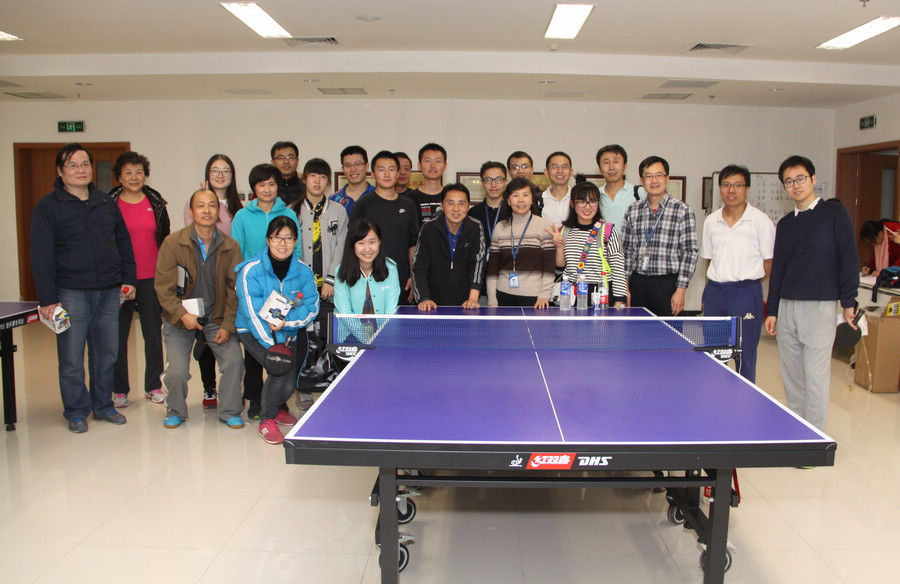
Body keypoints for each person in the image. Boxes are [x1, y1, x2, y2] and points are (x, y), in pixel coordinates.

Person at [30, 143, 136, 433]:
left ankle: (103, 405)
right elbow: (40, 255)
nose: (81, 170)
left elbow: (123, 242)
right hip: (70, 293)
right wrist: (47, 298)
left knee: (107, 354)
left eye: (85, 164)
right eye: (73, 165)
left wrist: (127, 278)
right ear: (60, 171)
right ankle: (76, 410)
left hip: (109, 291)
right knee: (72, 357)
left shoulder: (105, 202)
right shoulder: (47, 207)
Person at [765, 155, 859, 432]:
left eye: (801, 178)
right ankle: (797, 432)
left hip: (820, 306)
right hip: (788, 307)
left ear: (813, 179)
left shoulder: (835, 214)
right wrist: (772, 310)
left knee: (815, 377)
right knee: (792, 376)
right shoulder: (785, 224)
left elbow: (849, 258)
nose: (795, 185)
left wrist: (849, 302)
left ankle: (815, 437)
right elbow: (778, 270)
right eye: (789, 181)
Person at [156, 188, 245, 430]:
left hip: (216, 316)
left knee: (234, 361)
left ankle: (230, 411)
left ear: (219, 211)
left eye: (212, 205)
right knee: (176, 372)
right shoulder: (172, 243)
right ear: (191, 210)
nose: (207, 211)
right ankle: (175, 410)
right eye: (200, 205)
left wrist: (227, 325)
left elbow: (234, 290)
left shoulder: (230, 246)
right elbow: (163, 289)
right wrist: (182, 315)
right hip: (179, 317)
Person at [235, 216, 319, 444]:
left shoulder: (303, 272)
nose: (283, 244)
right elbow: (252, 314)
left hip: (288, 331)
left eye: (288, 238)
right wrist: (274, 346)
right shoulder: (250, 270)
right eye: (277, 238)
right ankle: (266, 419)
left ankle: (278, 408)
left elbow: (311, 306)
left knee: (290, 381)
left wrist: (287, 324)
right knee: (279, 367)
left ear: (295, 241)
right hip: (253, 330)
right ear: (268, 240)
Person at [231, 163, 301, 418]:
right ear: (254, 188)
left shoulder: (288, 213)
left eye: (272, 184)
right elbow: (237, 252)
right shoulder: (242, 216)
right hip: (255, 286)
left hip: (282, 288)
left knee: (279, 343)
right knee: (255, 350)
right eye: (262, 184)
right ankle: (255, 400)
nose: (267, 189)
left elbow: (296, 250)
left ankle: (279, 401)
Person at [699, 164, 775, 383]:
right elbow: (709, 260)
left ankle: (745, 397)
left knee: (746, 353)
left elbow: (769, 262)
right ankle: (716, 394)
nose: (731, 190)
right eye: (726, 185)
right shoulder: (711, 220)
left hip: (746, 293)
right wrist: (707, 293)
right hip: (715, 292)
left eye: (737, 185)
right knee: (714, 352)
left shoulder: (761, 221)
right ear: (720, 188)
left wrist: (748, 283)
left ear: (747, 188)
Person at [108, 151, 170, 407]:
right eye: (128, 173)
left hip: (151, 278)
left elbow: (165, 240)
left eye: (139, 172)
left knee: (153, 335)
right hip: (120, 279)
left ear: (146, 175)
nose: (134, 177)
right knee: (117, 336)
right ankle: (119, 389)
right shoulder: (109, 204)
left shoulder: (155, 203)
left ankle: (153, 385)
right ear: (119, 177)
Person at [186, 154, 244, 410]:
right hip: (202, 279)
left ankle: (232, 389)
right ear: (207, 175)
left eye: (226, 171)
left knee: (228, 336)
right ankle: (209, 387)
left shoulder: (239, 207)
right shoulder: (196, 203)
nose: (220, 175)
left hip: (229, 278)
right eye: (215, 170)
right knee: (205, 339)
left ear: (232, 176)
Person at [292, 158, 347, 394]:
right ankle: (303, 387)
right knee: (302, 338)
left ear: (328, 182)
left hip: (329, 287)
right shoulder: (292, 211)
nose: (318, 181)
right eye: (313, 176)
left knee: (327, 337)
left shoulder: (338, 211)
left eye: (323, 177)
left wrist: (330, 280)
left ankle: (329, 384)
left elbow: (341, 247)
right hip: (300, 288)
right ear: (305, 179)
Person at [620, 155, 698, 316]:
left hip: (668, 284)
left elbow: (690, 252)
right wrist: (625, 287)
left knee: (669, 331)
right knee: (636, 330)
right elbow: (626, 250)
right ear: (642, 181)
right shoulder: (632, 210)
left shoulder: (682, 210)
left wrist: (681, 290)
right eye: (648, 176)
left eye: (659, 175)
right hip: (637, 283)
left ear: (667, 178)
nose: (654, 180)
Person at [349, 151, 419, 305]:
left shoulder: (408, 205)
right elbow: (352, 243)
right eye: (381, 170)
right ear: (373, 174)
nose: (387, 174)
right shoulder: (363, 205)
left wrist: (413, 276)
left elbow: (412, 244)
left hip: (402, 279)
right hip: (369, 278)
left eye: (391, 169)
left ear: (398, 173)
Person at [547, 176, 627, 306]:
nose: (587, 207)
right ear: (572, 204)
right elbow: (559, 270)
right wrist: (560, 247)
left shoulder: (608, 231)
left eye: (593, 201)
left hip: (601, 294)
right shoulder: (563, 232)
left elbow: (618, 268)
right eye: (581, 202)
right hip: (570, 295)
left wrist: (620, 300)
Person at [412, 183, 486, 309]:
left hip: (466, 303)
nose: (456, 209)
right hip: (432, 303)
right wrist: (424, 298)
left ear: (468, 206)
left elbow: (478, 264)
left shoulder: (475, 227)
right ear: (442, 205)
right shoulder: (429, 228)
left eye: (461, 203)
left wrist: (473, 298)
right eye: (450, 203)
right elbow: (419, 267)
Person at [485, 177, 556, 308]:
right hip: (503, 295)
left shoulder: (544, 226)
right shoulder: (500, 227)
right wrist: (492, 299)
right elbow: (492, 268)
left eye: (525, 195)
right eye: (515, 195)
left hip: (535, 299)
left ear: (532, 199)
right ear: (508, 200)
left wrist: (544, 295)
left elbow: (549, 266)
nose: (521, 200)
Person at [334, 218, 401, 315]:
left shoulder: (391, 269)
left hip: (385, 325)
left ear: (379, 242)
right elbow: (345, 312)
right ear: (353, 245)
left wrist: (384, 326)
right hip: (350, 325)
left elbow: (391, 310)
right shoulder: (341, 272)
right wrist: (357, 327)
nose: (367, 249)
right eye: (361, 243)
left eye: (372, 242)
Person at [596, 144, 644, 230]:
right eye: (606, 162)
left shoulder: (639, 193)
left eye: (616, 161)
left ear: (625, 166)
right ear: (600, 168)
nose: (611, 167)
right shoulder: (595, 195)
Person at [404, 143, 447, 223]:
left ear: (445, 166)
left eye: (438, 161)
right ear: (419, 165)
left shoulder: (451, 197)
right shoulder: (408, 200)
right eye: (428, 161)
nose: (433, 166)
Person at [469, 161, 507, 252]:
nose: (493, 185)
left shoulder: (513, 212)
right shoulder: (472, 213)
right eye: (488, 180)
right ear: (482, 182)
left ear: (505, 182)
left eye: (498, 179)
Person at [329, 145, 375, 214]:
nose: (353, 169)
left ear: (367, 166)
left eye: (357, 164)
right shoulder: (334, 199)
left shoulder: (378, 195)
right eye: (348, 165)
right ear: (343, 169)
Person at [541, 151, 574, 227]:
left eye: (564, 167)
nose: (560, 171)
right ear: (546, 172)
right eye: (554, 167)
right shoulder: (538, 200)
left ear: (571, 172)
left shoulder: (578, 199)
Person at [271, 140, 304, 207]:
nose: (286, 162)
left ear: (297, 161)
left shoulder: (307, 188)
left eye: (290, 157)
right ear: (273, 162)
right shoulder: (266, 188)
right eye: (281, 158)